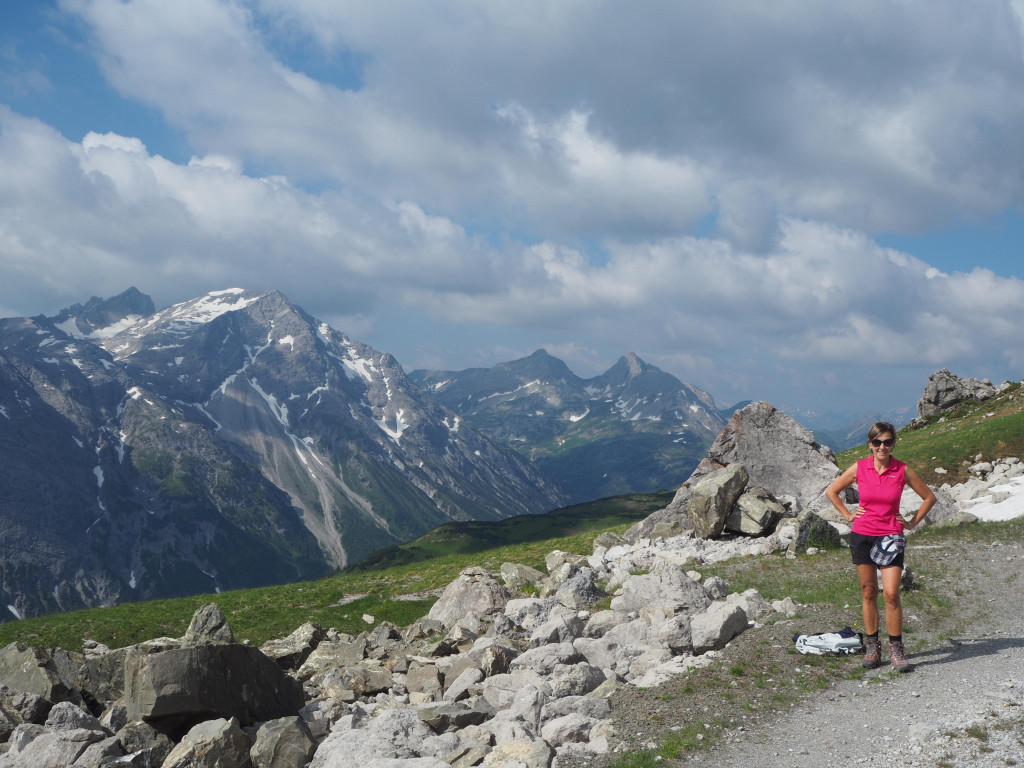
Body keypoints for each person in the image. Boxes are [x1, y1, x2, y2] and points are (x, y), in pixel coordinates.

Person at [825, 422, 936, 672]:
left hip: (891, 536)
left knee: (891, 594)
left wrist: (912, 522)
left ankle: (896, 647)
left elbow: (929, 497)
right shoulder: (859, 467)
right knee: (868, 591)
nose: (882, 447)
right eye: (877, 442)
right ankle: (872, 647)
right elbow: (832, 491)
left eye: (887, 442)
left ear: (893, 443)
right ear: (870, 444)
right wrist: (848, 515)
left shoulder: (902, 470)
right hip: (862, 534)